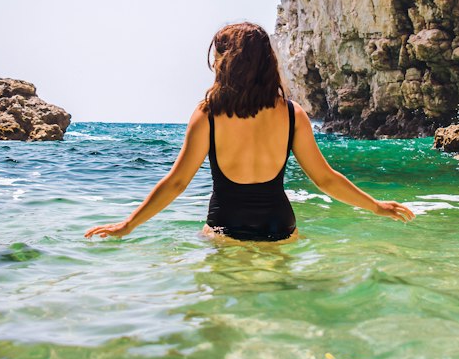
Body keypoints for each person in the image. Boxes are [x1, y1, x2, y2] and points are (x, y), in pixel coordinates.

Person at [84, 22, 415, 242]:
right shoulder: (291, 113)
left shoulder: (208, 114)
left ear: (227, 61)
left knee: (224, 325)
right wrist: (375, 206)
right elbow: (325, 178)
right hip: (280, 230)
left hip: (224, 230)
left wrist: (127, 225)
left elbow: (177, 182)